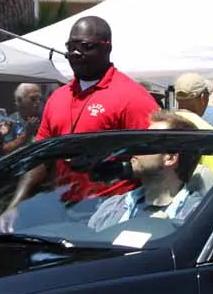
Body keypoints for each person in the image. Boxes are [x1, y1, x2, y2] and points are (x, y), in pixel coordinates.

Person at [36, 15, 158, 199]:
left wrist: (117, 169)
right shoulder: (57, 97)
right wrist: (15, 201)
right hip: (63, 207)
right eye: (71, 47)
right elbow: (40, 159)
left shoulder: (133, 97)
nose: (75, 53)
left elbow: (159, 156)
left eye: (85, 46)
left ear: (107, 48)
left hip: (113, 209)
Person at [87, 112, 204, 230]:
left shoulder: (196, 216)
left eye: (147, 143)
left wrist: (167, 231)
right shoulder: (111, 208)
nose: (136, 147)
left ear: (170, 158)